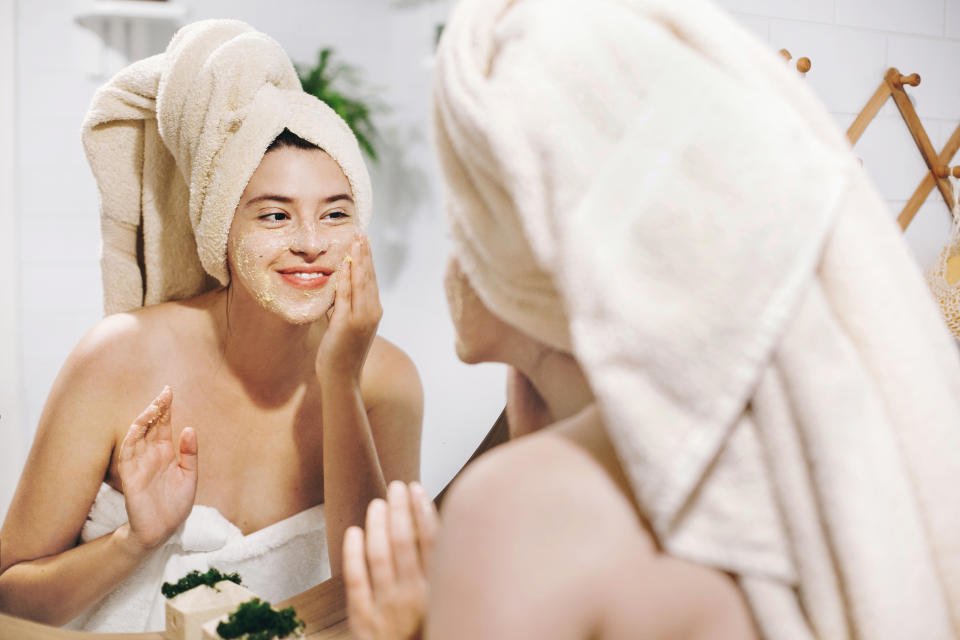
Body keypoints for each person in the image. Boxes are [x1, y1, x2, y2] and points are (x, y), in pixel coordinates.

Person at [343, 0, 960, 638]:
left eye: (470, 207)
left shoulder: (520, 509)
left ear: (540, 241)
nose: (454, 248)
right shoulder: (811, 464)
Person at [0, 20, 422, 632]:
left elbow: (378, 609)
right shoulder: (120, 358)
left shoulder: (387, 382)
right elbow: (8, 601)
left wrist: (340, 379)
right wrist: (135, 541)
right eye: (274, 215)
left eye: (336, 213)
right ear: (219, 234)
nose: (311, 244)